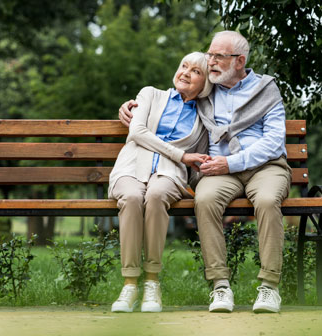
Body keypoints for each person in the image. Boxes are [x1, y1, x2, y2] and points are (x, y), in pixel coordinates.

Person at [118, 31, 292, 314]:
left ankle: (270, 286)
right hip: (220, 170)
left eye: (218, 57)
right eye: (209, 55)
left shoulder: (265, 89)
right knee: (205, 199)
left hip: (265, 166)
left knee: (268, 200)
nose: (210, 61)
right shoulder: (207, 91)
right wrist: (128, 108)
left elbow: (274, 143)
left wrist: (230, 162)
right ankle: (220, 286)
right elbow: (175, 96)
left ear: (239, 61)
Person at [109, 52, 213, 313]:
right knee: (132, 198)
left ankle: (152, 282)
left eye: (196, 71)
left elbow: (200, 159)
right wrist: (182, 155)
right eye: (183, 66)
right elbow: (138, 131)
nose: (186, 72)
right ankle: (130, 284)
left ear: (206, 83)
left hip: (169, 174)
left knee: (155, 196)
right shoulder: (150, 94)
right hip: (131, 165)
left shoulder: (205, 116)